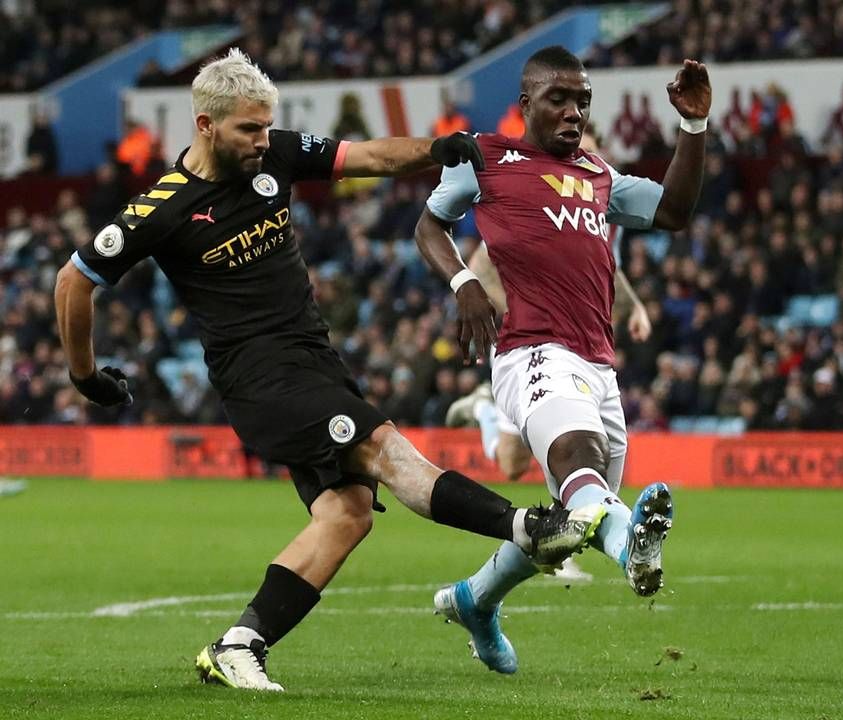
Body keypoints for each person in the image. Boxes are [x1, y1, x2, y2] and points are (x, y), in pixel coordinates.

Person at [54, 48, 606, 692]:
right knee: (383, 449)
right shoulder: (164, 208)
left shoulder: (278, 154)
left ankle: (239, 645)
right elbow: (74, 280)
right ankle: (529, 527)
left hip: (314, 361)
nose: (265, 141)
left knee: (347, 514)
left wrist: (440, 149)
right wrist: (86, 376)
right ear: (205, 125)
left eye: (267, 126)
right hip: (261, 378)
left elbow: (368, 157)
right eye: (249, 130)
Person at [415, 46, 709, 673]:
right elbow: (428, 226)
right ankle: (631, 541)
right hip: (530, 351)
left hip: (599, 366)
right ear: (526, 105)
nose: (573, 112)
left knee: (568, 519)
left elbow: (677, 211)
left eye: (582, 101)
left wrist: (693, 127)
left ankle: (475, 601)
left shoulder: (600, 175)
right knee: (580, 464)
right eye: (559, 99)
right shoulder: (486, 160)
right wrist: (464, 283)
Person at [444, 127, 653, 582]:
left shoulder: (599, 199)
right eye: (585, 151)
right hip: (529, 344)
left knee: (522, 463)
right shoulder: (532, 196)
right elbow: (482, 264)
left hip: (584, 350)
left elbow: (602, 270)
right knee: (547, 453)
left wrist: (633, 306)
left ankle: (476, 597)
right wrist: (519, 308)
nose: (589, 159)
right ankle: (601, 543)